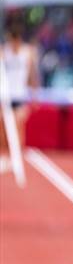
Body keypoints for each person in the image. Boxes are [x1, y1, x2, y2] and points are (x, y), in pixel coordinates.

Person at [0, 16, 39, 171]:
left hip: (20, 96)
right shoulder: (4, 52)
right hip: (5, 96)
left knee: (18, 127)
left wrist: (34, 95)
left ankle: (16, 158)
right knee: (3, 128)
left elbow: (32, 75)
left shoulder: (27, 52)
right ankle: (4, 156)